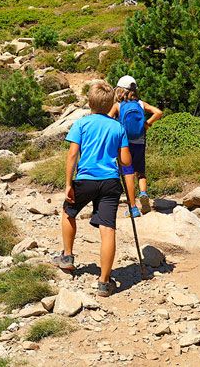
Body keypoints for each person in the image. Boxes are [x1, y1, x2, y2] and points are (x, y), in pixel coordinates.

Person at [53, 81, 139, 297]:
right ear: (111, 102)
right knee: (108, 229)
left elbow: (72, 155)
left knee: (68, 212)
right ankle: (104, 282)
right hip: (110, 182)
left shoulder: (81, 124)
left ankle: (67, 257)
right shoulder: (117, 127)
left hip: (86, 179)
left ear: (89, 102)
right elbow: (126, 161)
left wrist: (68, 184)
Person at [108, 75, 163, 214]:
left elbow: (107, 120)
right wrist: (146, 125)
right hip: (140, 142)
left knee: (128, 174)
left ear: (120, 91)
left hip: (125, 145)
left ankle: (133, 208)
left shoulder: (118, 106)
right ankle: (143, 193)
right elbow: (158, 112)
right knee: (141, 172)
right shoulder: (140, 104)